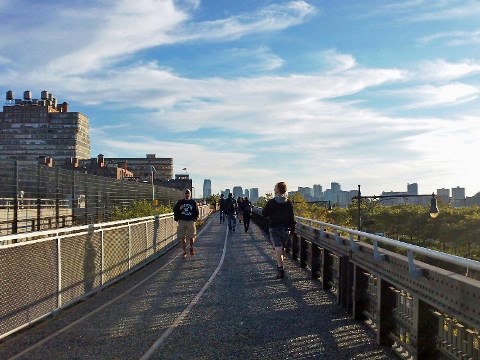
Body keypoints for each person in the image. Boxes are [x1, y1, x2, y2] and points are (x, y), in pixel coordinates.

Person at [262, 181, 295, 279]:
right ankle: (280, 266)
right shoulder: (288, 202)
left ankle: (280, 269)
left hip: (274, 228)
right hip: (286, 229)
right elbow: (292, 217)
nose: (274, 188)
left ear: (278, 190)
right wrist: (293, 230)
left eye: (275, 187)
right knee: (281, 249)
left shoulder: (271, 202)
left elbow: (264, 213)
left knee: (278, 249)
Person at [173, 189, 199, 259]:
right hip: (182, 221)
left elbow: (196, 211)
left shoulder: (193, 202)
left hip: (190, 221)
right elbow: (175, 209)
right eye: (186, 193)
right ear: (184, 194)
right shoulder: (180, 202)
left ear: (190, 194)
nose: (187, 194)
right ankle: (184, 251)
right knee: (182, 237)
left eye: (188, 193)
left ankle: (191, 247)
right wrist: (180, 209)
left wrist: (194, 219)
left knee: (191, 236)